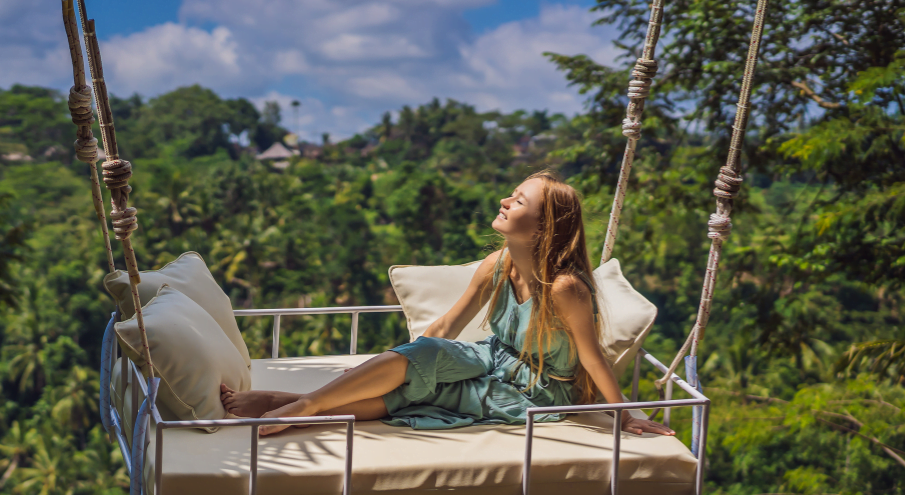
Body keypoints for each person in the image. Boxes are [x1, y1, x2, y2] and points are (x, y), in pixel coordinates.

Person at [221, 169, 675, 438]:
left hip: (536, 390)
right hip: (491, 358)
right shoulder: (497, 264)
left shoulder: (564, 287)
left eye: (518, 201)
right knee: (425, 362)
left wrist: (627, 417)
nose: (504, 201)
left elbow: (593, 360)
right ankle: (302, 405)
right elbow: (445, 327)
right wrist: (391, 360)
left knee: (425, 391)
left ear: (542, 228)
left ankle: (297, 406)